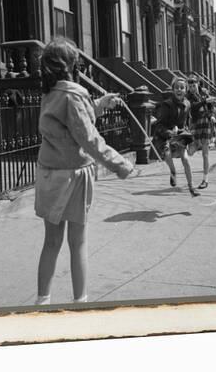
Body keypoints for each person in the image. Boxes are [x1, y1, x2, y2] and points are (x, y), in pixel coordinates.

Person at [34, 38, 134, 306]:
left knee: (51, 243)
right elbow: (88, 139)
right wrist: (120, 164)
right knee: (77, 243)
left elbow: (71, 126)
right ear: (71, 65)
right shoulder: (73, 95)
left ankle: (42, 302)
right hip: (73, 176)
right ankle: (81, 303)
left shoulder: (50, 92)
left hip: (49, 175)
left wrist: (99, 104)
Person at [151, 77, 198, 197]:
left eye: (182, 88)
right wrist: (169, 132)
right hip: (166, 134)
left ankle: (191, 187)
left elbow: (187, 120)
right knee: (167, 155)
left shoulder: (187, 104)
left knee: (186, 159)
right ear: (173, 90)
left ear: (185, 90)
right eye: (176, 87)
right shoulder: (167, 105)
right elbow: (159, 124)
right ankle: (173, 171)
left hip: (180, 135)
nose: (179, 90)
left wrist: (187, 130)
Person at [186, 76, 215, 190]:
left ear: (198, 84)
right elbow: (193, 108)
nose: (192, 88)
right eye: (190, 86)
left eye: (194, 85)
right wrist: (204, 101)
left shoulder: (204, 93)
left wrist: (212, 115)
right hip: (196, 124)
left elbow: (210, 106)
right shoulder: (188, 97)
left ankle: (205, 179)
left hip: (206, 123)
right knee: (191, 151)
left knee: (205, 154)